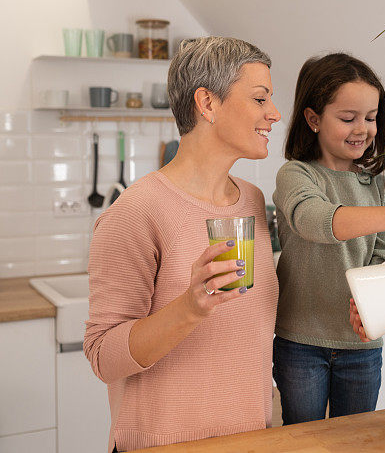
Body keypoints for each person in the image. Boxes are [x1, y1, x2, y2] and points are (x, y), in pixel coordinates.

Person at [84, 37, 281, 452]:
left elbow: (248, 330)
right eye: (260, 99)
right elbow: (103, 355)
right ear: (207, 103)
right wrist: (190, 307)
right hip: (163, 444)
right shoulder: (136, 212)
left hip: (251, 438)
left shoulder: (252, 200)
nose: (274, 114)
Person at [272, 52, 385, 424]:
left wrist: (372, 309)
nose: (363, 129)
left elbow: (381, 267)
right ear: (313, 119)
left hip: (362, 348)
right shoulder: (296, 175)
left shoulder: (383, 189)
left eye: (370, 118)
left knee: (356, 439)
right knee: (301, 441)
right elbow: (316, 221)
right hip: (300, 344)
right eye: (348, 118)